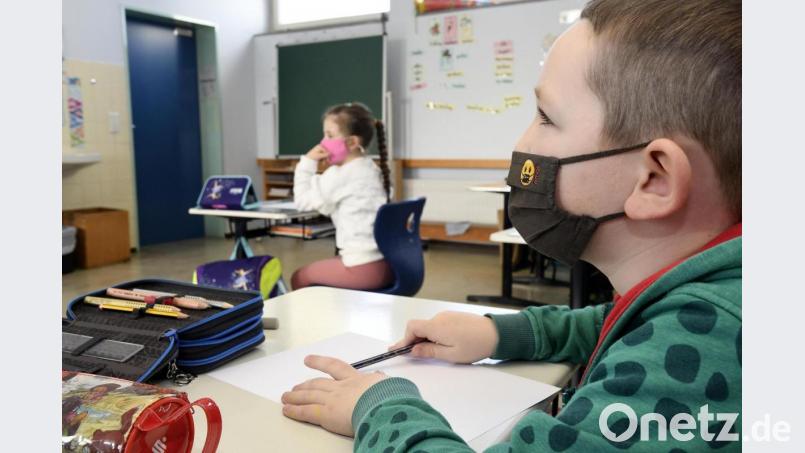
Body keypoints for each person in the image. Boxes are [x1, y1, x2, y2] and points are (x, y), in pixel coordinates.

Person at [281, 0, 742, 451]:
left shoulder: (696, 343)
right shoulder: (702, 303)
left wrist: (380, 406)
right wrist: (499, 334)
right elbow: (615, 321)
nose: (522, 142)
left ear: (655, 179)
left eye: (546, 118)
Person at [291, 102, 394, 291]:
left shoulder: (341, 174)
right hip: (386, 264)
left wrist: (307, 161)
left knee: (300, 277)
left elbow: (302, 201)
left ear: (353, 142)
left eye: (329, 135)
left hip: (363, 267)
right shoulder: (371, 168)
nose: (322, 143)